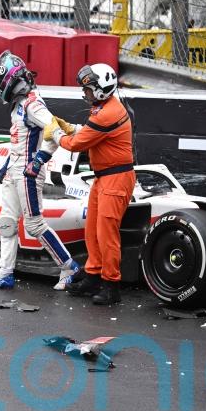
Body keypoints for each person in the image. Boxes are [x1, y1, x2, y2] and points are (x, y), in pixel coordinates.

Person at [0, 50, 81, 290]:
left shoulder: (33, 104)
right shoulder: (20, 104)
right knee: (7, 221)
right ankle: (5, 273)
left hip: (28, 173)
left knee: (34, 225)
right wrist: (6, 165)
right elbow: (19, 141)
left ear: (9, 80)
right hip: (15, 170)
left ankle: (70, 267)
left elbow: (55, 131)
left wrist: (38, 160)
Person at [44, 63, 135, 305]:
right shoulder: (104, 108)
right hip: (105, 177)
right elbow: (90, 132)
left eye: (88, 89)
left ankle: (111, 286)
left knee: (106, 234)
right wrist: (69, 127)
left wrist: (56, 132)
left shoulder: (107, 113)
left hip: (115, 179)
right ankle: (93, 276)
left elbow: (76, 144)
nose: (85, 93)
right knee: (93, 230)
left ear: (101, 89)